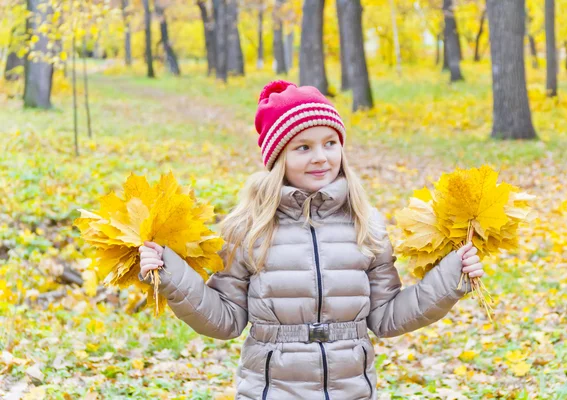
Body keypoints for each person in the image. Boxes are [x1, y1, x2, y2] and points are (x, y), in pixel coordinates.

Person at [138, 80, 484, 399]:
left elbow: (387, 316)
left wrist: (451, 277)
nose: (320, 157)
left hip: (352, 390)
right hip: (273, 390)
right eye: (303, 147)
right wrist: (171, 274)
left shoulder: (366, 224)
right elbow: (225, 319)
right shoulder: (249, 228)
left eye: (329, 143)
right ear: (277, 159)